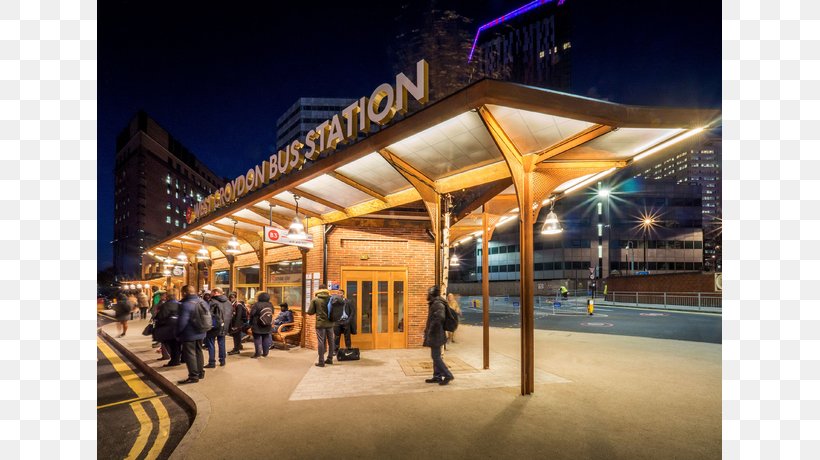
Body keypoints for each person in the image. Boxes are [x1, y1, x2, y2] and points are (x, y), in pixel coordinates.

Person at [176, 285, 207, 384]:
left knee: (190, 355)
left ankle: (193, 376)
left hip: (189, 333)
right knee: (199, 352)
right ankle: (200, 373)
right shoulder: (202, 302)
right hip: (201, 331)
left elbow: (182, 321)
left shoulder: (185, 304)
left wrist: (177, 332)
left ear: (185, 293)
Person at [423, 285, 453, 385]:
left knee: (435, 356)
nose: (427, 295)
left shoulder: (437, 304)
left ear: (432, 294)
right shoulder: (435, 303)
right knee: (436, 356)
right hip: (436, 334)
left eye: (428, 293)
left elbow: (439, 318)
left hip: (436, 334)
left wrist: (431, 330)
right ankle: (437, 376)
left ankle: (448, 375)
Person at [307, 284, 334, 367]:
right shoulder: (331, 298)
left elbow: (310, 312)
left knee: (321, 341)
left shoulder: (315, 299)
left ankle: (321, 361)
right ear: (326, 290)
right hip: (330, 323)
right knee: (331, 341)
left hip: (321, 323)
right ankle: (330, 359)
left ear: (319, 289)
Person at [205, 288, 233, 368]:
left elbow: (208, 314)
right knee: (221, 343)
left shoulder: (212, 302)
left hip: (214, 326)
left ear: (216, 293)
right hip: (224, 325)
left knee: (210, 343)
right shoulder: (228, 302)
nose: (210, 294)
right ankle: (222, 360)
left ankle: (212, 362)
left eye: (212, 293)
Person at [153, 292, 182, 367]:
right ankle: (179, 358)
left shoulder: (165, 305)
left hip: (169, 328)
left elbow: (161, 316)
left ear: (168, 297)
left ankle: (174, 361)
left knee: (171, 345)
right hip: (179, 326)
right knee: (177, 344)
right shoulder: (179, 304)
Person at [249, 292, 274, 358]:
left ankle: (258, 353)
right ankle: (265, 353)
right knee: (266, 338)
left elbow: (252, 314)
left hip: (257, 324)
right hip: (267, 324)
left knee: (257, 339)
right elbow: (272, 313)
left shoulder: (256, 305)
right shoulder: (270, 304)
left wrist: (250, 324)